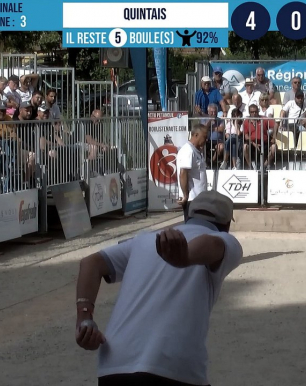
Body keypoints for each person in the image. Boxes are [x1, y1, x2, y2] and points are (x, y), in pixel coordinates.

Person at [74, 190, 243, 385]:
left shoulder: (145, 239)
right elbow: (212, 243)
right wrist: (185, 257)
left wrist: (84, 319)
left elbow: (90, 263)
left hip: (114, 366)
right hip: (173, 367)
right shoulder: (226, 241)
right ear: (227, 225)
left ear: (187, 215)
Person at [177, 124, 209, 222]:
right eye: (204, 137)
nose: (206, 140)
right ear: (195, 135)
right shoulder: (188, 151)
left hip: (199, 197)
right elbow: (183, 173)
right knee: (193, 227)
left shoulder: (197, 151)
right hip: (192, 199)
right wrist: (185, 195)